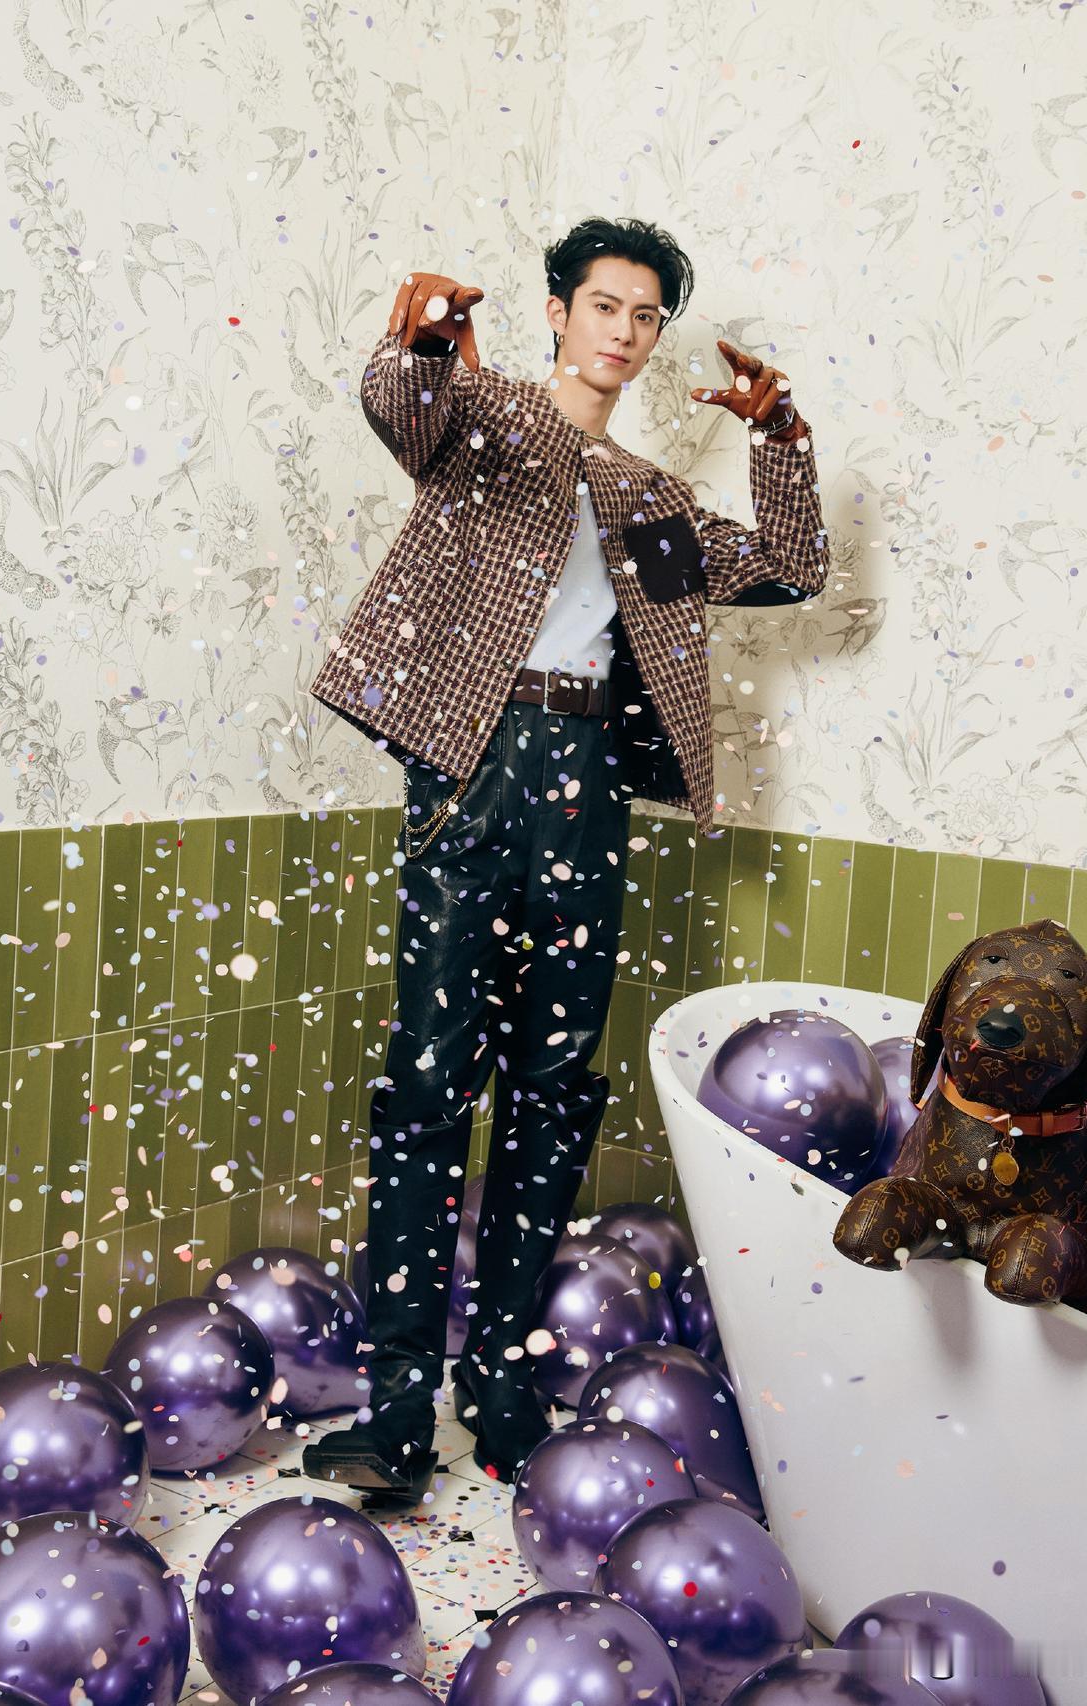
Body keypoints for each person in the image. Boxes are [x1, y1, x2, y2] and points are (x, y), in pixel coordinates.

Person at [303, 215, 830, 1503]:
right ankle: (392, 1415)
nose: (625, 333)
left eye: (645, 317)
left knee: (552, 1087)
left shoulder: (648, 501)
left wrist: (781, 438)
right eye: (605, 307)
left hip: (586, 785)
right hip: (469, 766)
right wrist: (423, 337)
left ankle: (500, 1390)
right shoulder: (484, 428)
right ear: (558, 312)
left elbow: (788, 567)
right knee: (429, 1084)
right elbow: (399, 407)